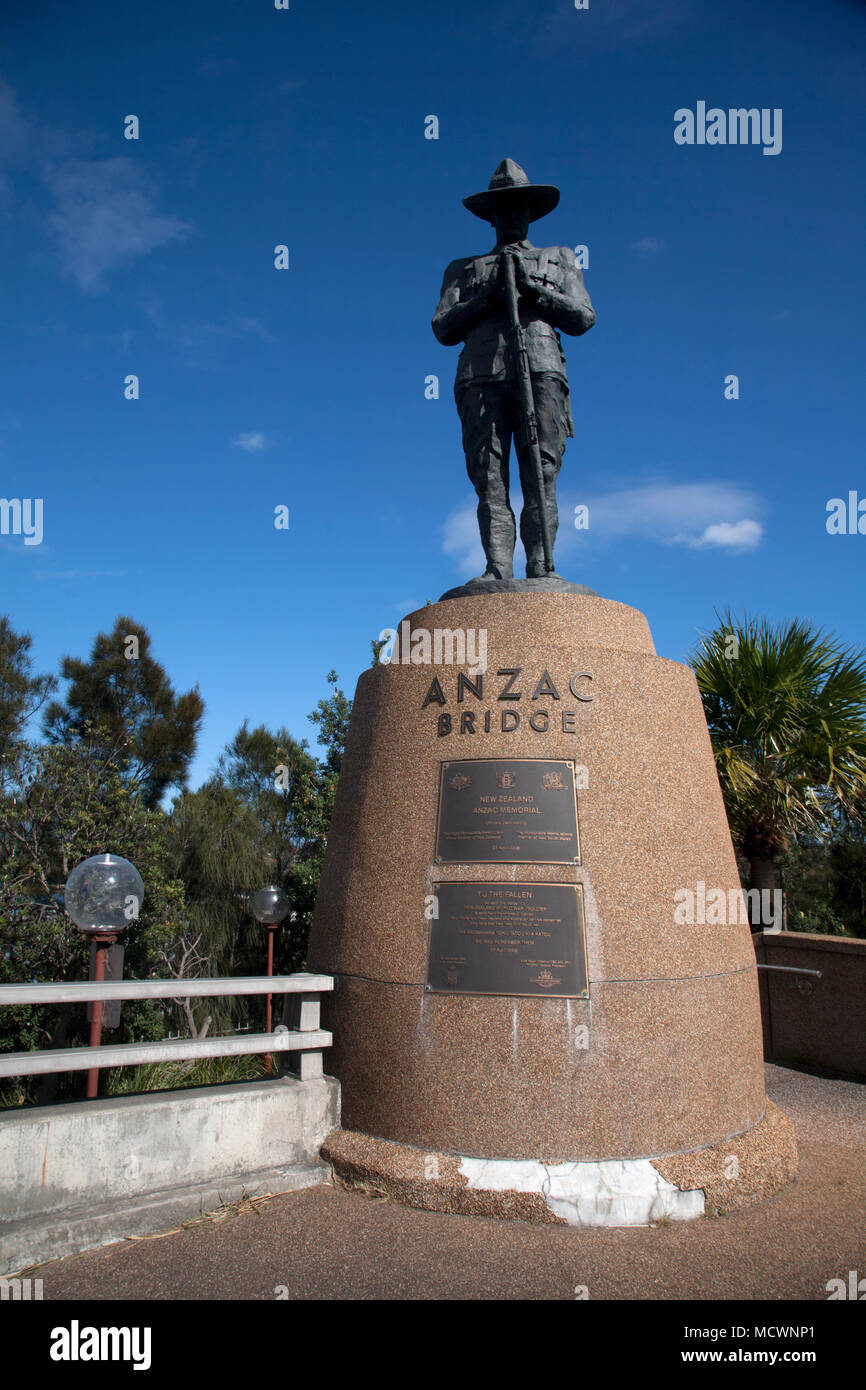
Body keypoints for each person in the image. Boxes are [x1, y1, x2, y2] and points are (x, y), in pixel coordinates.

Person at [432, 159, 596, 580]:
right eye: (502, 209)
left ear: (530, 212)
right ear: (490, 217)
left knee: (540, 472)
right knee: (488, 478)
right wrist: (486, 296)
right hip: (480, 376)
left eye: (518, 206)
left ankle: (541, 566)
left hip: (541, 369)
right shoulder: (462, 268)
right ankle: (497, 569)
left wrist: (531, 290)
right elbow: (443, 327)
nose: (511, 215)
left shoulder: (559, 259)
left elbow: (582, 317)